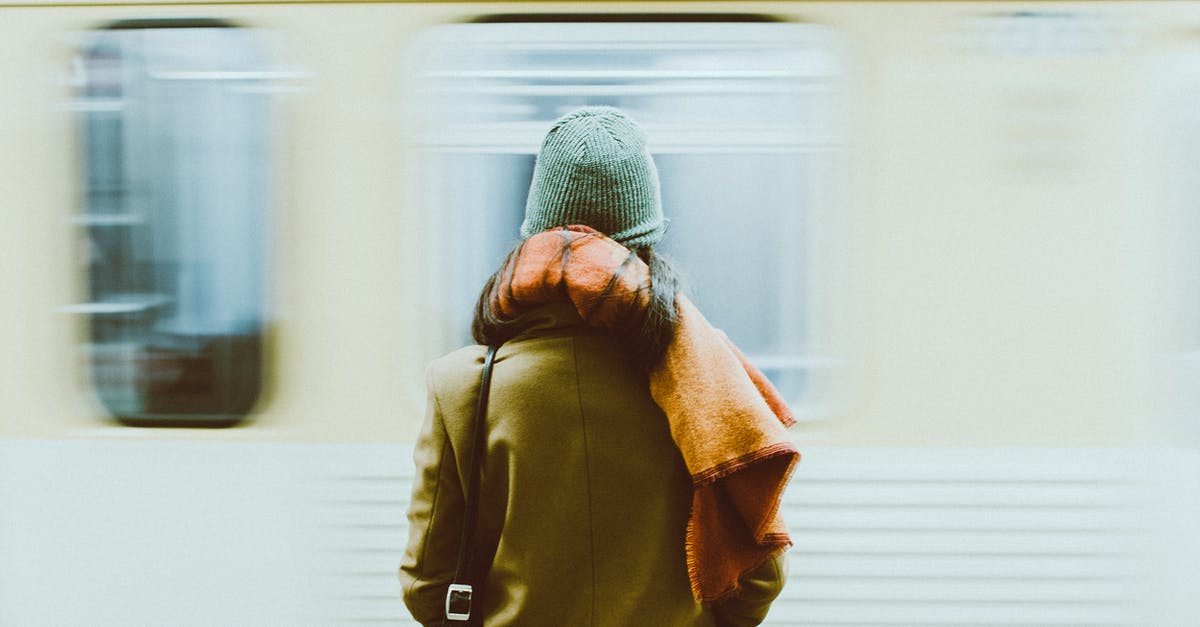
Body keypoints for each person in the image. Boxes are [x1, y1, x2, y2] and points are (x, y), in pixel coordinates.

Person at [400, 107, 798, 626]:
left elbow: (428, 587)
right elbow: (759, 578)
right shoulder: (703, 375)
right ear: (647, 240)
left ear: (536, 239)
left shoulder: (461, 387)